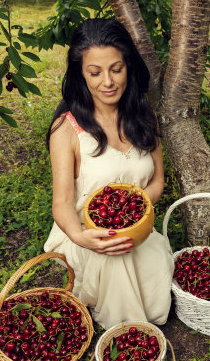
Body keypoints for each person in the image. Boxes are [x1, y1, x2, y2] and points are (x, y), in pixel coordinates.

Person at [43, 18, 173, 330]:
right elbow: (61, 202)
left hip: (137, 227)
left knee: (151, 281)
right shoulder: (67, 129)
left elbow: (157, 181)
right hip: (85, 231)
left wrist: (136, 212)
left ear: (128, 66)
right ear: (80, 74)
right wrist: (82, 237)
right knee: (114, 257)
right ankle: (125, 330)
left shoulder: (142, 115)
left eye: (116, 69)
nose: (108, 82)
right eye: (95, 72)